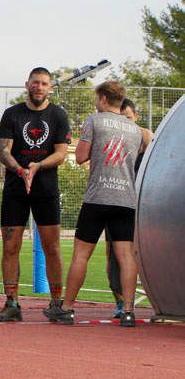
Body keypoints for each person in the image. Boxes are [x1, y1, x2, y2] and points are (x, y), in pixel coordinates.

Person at [54, 81, 143, 327]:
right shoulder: (134, 129)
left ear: (103, 99)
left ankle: (67, 307)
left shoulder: (94, 120)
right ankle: (127, 310)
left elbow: (81, 155)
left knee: (82, 254)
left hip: (98, 196)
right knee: (125, 255)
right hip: (126, 198)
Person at [0, 67, 71, 322]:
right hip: (16, 188)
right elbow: (4, 150)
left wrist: (37, 167)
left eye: (44, 83)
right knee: (10, 245)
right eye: (35, 82)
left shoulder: (58, 115)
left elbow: (61, 153)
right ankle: (12, 302)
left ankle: (57, 303)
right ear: (27, 84)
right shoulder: (12, 114)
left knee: (52, 246)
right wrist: (19, 169)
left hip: (46, 188)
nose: (39, 87)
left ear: (50, 87)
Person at [105, 97, 152, 318]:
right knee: (113, 255)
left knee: (142, 254)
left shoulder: (147, 140)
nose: (125, 124)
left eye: (129, 119)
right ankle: (120, 302)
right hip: (116, 203)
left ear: (136, 118)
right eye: (120, 120)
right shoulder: (113, 143)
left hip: (143, 210)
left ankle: (145, 300)